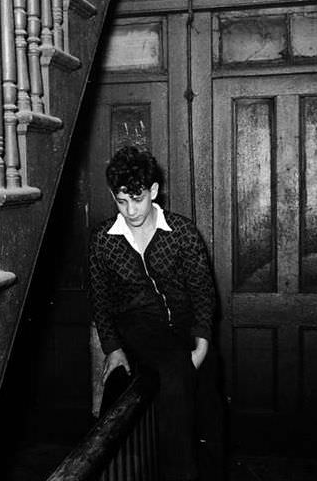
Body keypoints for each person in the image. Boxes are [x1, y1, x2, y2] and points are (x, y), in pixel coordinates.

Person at [88, 145, 217, 481]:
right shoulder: (103, 241)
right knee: (172, 376)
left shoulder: (183, 233)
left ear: (154, 191)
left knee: (208, 414)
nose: (130, 210)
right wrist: (113, 347)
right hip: (138, 328)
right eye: (121, 200)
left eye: (138, 198)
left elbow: (203, 293)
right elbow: (99, 301)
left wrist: (201, 345)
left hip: (186, 329)